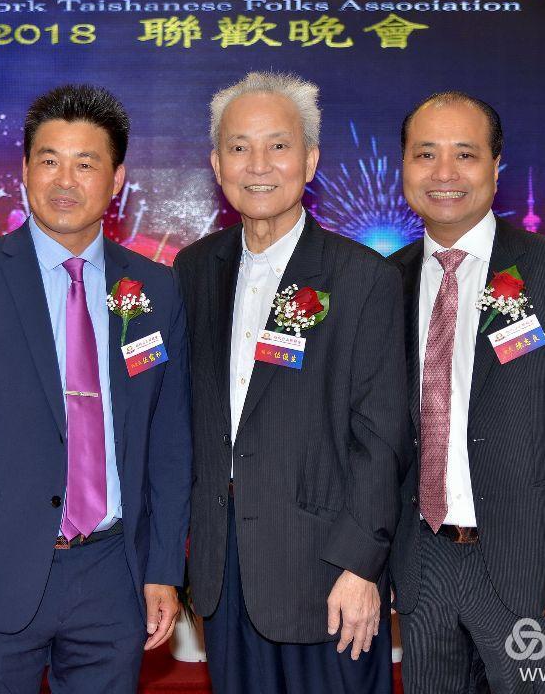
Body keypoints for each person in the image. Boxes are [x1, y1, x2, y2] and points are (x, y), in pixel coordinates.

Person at [0, 84, 192, 693]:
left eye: (85, 163)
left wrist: (163, 568)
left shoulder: (154, 289)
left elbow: (169, 442)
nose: (65, 180)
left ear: (117, 180)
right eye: (49, 160)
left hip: (114, 575)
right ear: (25, 169)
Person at [173, 71, 410, 694]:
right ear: (216, 164)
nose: (258, 165)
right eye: (239, 147)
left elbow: (382, 439)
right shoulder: (193, 270)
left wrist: (362, 566)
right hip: (226, 568)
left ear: (309, 160)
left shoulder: (362, 278)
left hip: (328, 574)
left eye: (278, 146)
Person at [388, 91, 545, 693]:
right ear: (404, 166)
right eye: (425, 154)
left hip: (530, 565)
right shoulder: (386, 281)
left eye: (465, 154)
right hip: (423, 562)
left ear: (497, 166)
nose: (444, 173)